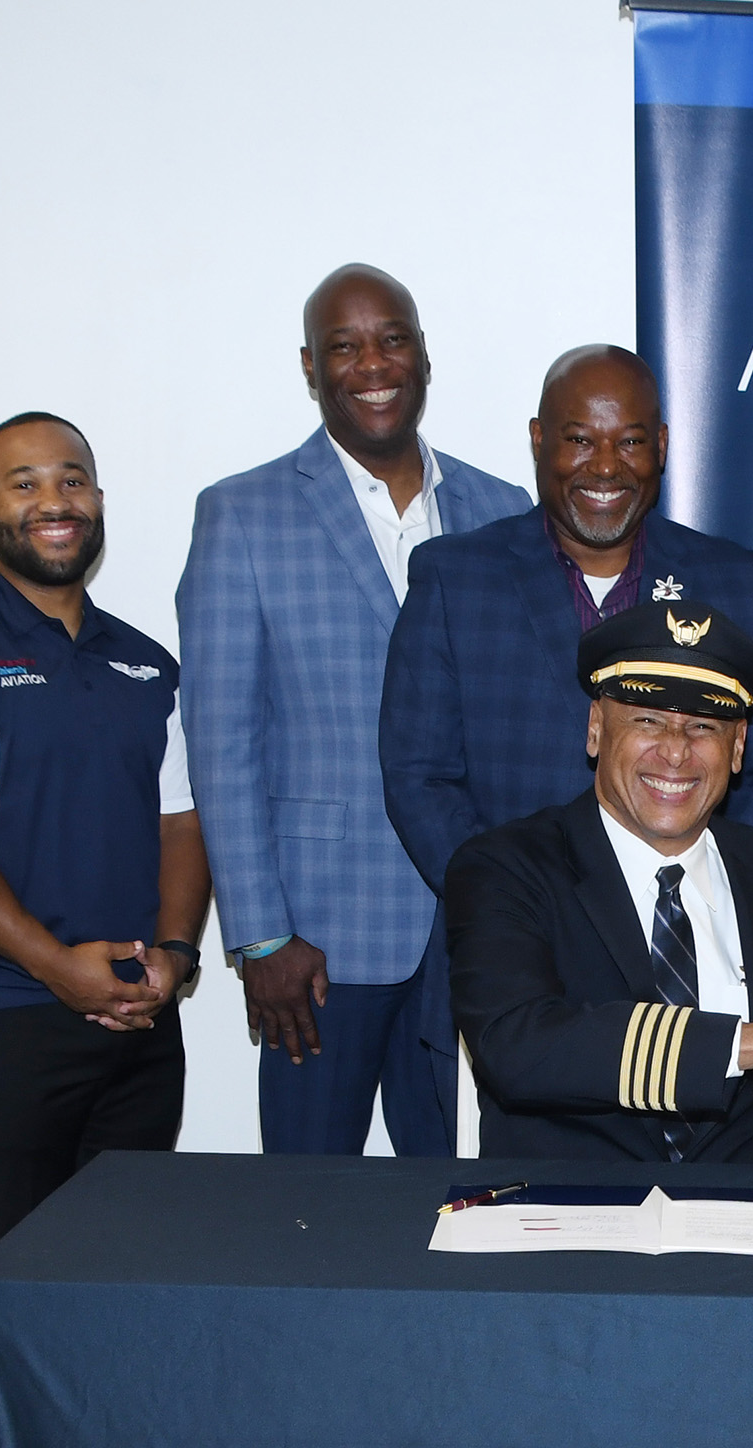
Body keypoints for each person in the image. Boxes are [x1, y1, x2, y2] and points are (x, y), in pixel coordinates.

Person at [381, 346, 753, 1136]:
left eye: (631, 440)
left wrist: (703, 900)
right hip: (520, 968)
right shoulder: (455, 576)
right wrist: (514, 910)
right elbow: (418, 775)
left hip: (694, 953)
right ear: (540, 439)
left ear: (664, 446)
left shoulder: (737, 580)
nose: (605, 464)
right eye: (580, 439)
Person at [177, 265, 528, 1156]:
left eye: (392, 339)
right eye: (345, 345)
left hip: (472, 936)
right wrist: (261, 939)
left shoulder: (503, 510)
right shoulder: (242, 515)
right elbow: (222, 745)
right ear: (311, 367)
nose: (373, 363)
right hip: (316, 947)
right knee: (307, 1219)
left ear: (423, 356)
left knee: (462, 1209)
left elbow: (524, 725)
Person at [0, 413, 208, 1274]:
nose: (53, 500)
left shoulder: (145, 664)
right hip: (0, 1007)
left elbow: (180, 820)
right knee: (10, 1259)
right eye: (24, 484)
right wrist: (55, 965)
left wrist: (174, 953)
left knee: (124, 1255)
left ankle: (106, 1417)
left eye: (72, 480)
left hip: (135, 1004)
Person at [445, 602, 753, 1161]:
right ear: (596, 729)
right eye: (647, 720)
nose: (675, 752)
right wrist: (749, 1042)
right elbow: (519, 1046)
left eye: (703, 727)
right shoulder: (507, 866)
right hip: (565, 1219)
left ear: (739, 746)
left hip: (749, 1224)